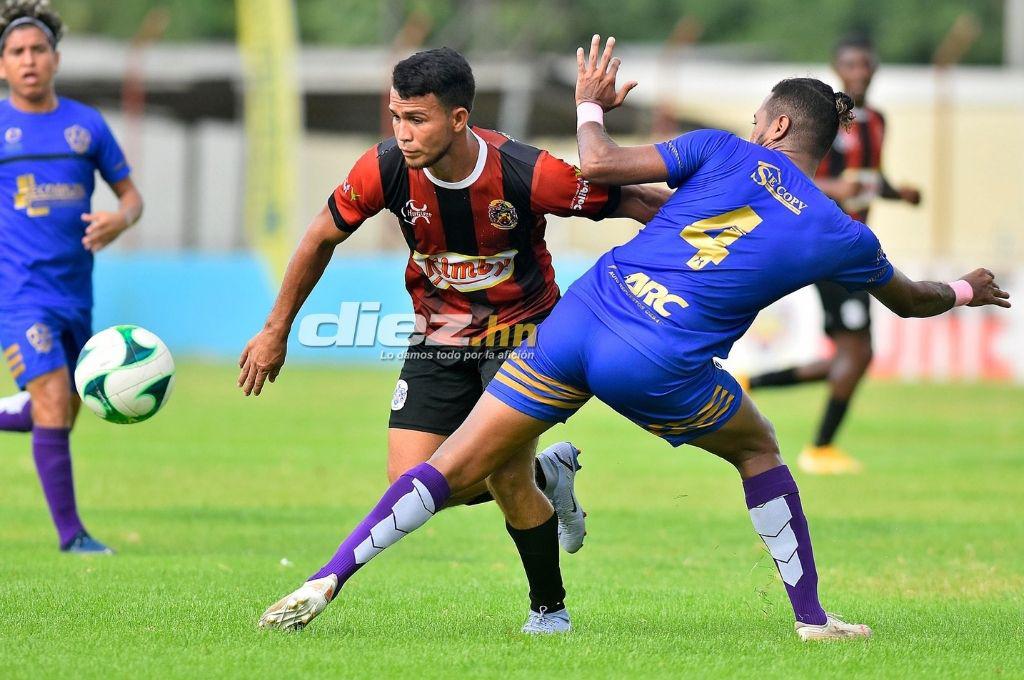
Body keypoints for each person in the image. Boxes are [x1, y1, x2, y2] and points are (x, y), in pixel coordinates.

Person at [255, 36, 1009, 640]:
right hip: (657, 360)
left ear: (775, 125)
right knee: (759, 449)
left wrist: (589, 105)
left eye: (759, 118)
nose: (753, 126)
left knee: (451, 466)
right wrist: (971, 288)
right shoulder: (842, 233)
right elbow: (912, 301)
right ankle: (812, 619)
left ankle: (331, 575)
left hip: (582, 316)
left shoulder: (721, 151)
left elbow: (605, 165)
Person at [238, 46, 667, 633]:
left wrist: (725, 230)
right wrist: (274, 330)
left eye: (417, 119)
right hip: (438, 335)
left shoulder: (526, 172)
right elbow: (318, 239)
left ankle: (549, 613)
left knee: (504, 475)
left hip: (527, 337)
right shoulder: (384, 168)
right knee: (409, 482)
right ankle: (554, 478)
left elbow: (639, 202)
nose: (403, 133)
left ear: (459, 119)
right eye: (396, 116)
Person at [0, 0, 143, 553]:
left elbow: (132, 198)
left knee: (61, 407)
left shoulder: (86, 126)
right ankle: (72, 536)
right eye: (17, 52)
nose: (29, 60)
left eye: (38, 50)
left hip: (75, 295)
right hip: (17, 296)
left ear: (55, 58)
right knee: (55, 400)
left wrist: (117, 220)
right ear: (3, 66)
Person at [744, 34, 922, 475]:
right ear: (838, 69)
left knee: (851, 355)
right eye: (852, 65)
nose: (860, 72)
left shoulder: (877, 121)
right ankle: (820, 448)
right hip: (827, 242)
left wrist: (899, 192)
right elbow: (787, 175)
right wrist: (835, 189)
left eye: (866, 64)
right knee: (857, 354)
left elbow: (869, 177)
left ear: (875, 68)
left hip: (853, 242)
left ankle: (752, 383)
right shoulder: (823, 121)